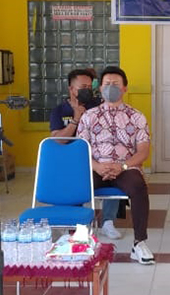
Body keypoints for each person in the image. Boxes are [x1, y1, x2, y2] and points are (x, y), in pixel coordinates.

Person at [77, 66, 156, 264]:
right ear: (100, 88)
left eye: (115, 84)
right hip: (96, 165)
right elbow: (80, 148)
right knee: (77, 185)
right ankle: (77, 237)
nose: (111, 88)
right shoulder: (89, 116)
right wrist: (96, 166)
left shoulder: (137, 117)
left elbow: (143, 151)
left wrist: (121, 167)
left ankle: (139, 243)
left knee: (138, 187)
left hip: (125, 167)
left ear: (125, 89)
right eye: (107, 84)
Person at [49, 67, 121, 239]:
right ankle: (75, 225)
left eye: (90, 87)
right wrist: (76, 118)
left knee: (114, 169)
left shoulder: (98, 105)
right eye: (83, 87)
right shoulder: (59, 111)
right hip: (70, 161)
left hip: (97, 158)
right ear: (71, 89)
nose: (87, 91)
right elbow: (58, 139)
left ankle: (108, 221)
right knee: (73, 179)